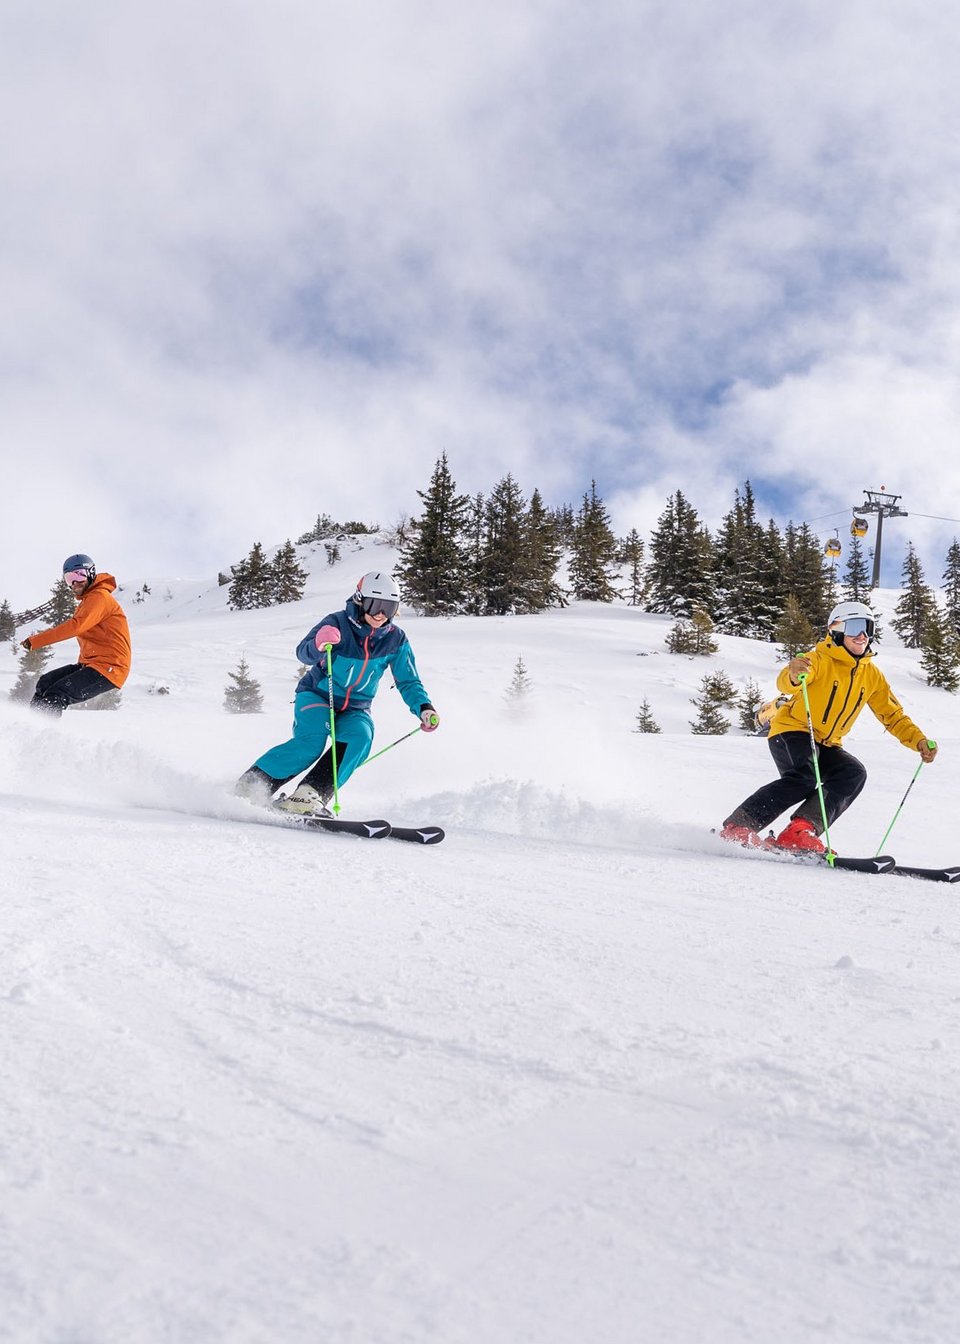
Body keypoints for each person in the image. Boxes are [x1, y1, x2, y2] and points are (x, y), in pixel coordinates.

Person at [720, 600, 937, 853]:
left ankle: (799, 831)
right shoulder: (818, 659)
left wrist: (918, 740)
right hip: (793, 730)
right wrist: (793, 672)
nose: (862, 635)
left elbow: (893, 715)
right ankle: (738, 826)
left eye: (868, 627)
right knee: (803, 778)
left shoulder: (872, 675)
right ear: (836, 629)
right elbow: (787, 682)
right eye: (855, 627)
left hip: (828, 743)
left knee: (852, 773)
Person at [236, 571, 439, 815]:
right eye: (375, 605)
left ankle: (308, 795)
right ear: (360, 600)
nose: (380, 615)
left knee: (361, 737)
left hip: (356, 707)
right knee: (312, 742)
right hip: (318, 694)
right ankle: (252, 786)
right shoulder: (337, 623)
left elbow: (408, 679)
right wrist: (320, 643)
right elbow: (303, 653)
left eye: (388, 608)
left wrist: (424, 707)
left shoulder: (396, 640)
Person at [20, 554, 132, 715]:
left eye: (79, 575)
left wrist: (36, 641)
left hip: (110, 668)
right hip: (91, 665)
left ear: (91, 573)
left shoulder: (99, 597)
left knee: (56, 694)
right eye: (69, 578)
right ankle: (30, 726)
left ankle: (42, 733)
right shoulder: (87, 601)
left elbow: (75, 626)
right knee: (45, 683)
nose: (75, 582)